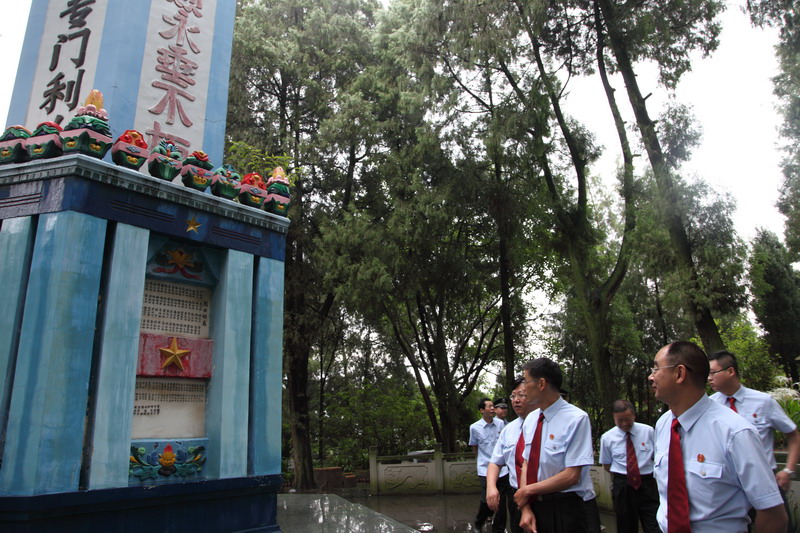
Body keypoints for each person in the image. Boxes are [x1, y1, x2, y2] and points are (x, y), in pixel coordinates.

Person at [649, 340, 787, 532]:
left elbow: (773, 516)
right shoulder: (663, 425)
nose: (651, 376)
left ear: (679, 373)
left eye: (656, 369)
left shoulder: (735, 432)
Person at [707, 350, 799, 531]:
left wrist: (788, 470)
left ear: (731, 371)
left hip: (765, 481)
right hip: (728, 486)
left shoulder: (763, 401)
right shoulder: (710, 405)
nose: (709, 378)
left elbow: (793, 434)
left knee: (777, 525)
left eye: (713, 372)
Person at [513, 358, 595, 533]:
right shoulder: (531, 419)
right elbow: (526, 463)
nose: (523, 388)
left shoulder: (576, 419)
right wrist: (525, 507)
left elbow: (572, 475)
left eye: (526, 381)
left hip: (565, 509)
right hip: (535, 506)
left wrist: (527, 491)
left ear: (541, 384)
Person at [599, 399, 659, 533]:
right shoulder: (607, 438)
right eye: (620, 420)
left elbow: (657, 456)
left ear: (634, 416)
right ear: (614, 418)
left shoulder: (648, 431)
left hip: (647, 483)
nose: (624, 424)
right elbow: (607, 464)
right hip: (623, 485)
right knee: (625, 524)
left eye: (627, 419)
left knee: (653, 522)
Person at [487, 378, 531, 533]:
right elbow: (495, 461)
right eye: (513, 396)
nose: (516, 400)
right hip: (515, 494)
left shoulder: (544, 424)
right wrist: (491, 487)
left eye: (522, 395)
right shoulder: (508, 430)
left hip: (539, 496)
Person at [470, 397, 507, 533]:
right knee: (487, 499)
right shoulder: (474, 428)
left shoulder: (501, 424)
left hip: (502, 469)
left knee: (501, 502)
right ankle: (479, 522)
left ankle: (499, 529)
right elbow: (474, 447)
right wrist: (480, 460)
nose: (493, 408)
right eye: (489, 406)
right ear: (482, 410)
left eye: (493, 406)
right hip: (485, 469)